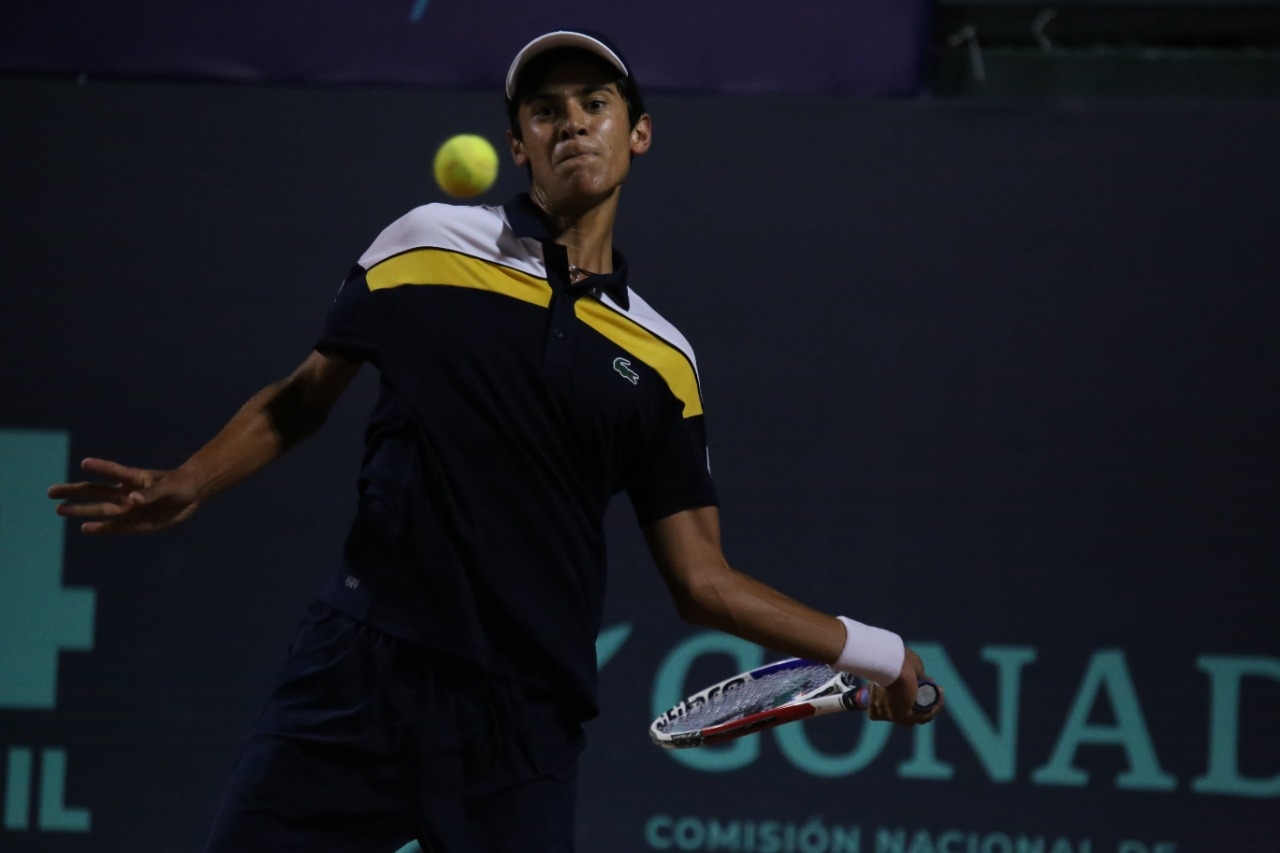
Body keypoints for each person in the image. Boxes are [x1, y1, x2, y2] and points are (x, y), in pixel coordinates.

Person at [48, 28, 942, 853]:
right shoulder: (425, 243)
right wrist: (195, 479)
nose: (572, 125)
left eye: (595, 104)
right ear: (518, 146)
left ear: (639, 133)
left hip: (519, 720)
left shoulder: (664, 359)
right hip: (359, 671)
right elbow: (302, 400)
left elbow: (703, 583)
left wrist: (876, 648)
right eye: (545, 112)